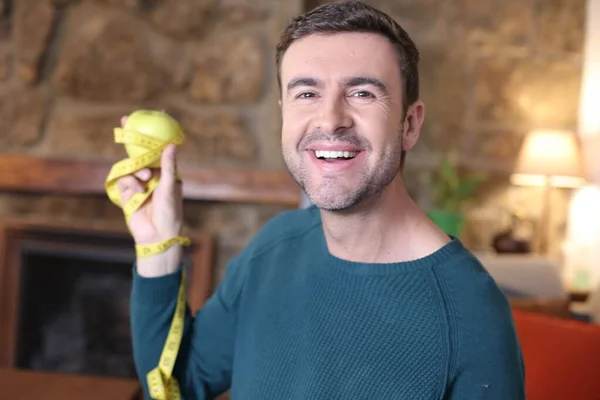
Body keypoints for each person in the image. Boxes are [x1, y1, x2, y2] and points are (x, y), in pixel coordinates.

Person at [119, 1, 526, 399]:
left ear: (410, 124)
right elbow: (179, 383)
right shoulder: (274, 246)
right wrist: (158, 245)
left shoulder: (472, 312)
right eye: (307, 94)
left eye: (363, 93)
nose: (330, 120)